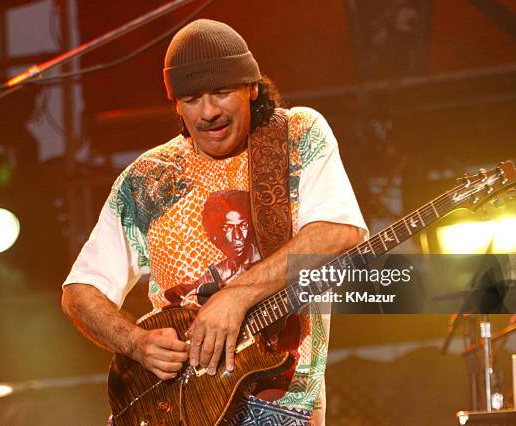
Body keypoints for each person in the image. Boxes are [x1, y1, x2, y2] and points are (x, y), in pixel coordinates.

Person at [61, 19, 368, 425]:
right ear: (175, 103)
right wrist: (136, 343)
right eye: (191, 98)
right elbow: (80, 291)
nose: (207, 112)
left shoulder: (297, 135)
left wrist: (235, 296)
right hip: (177, 408)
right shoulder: (147, 179)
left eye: (221, 93)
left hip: (277, 404)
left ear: (251, 87)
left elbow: (337, 232)